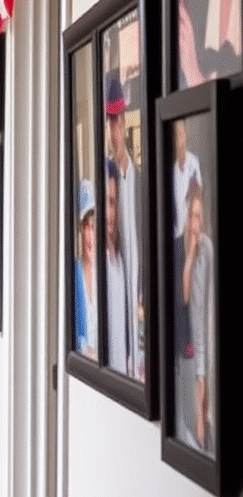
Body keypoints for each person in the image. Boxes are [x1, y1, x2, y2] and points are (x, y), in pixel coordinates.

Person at [173, 178, 214, 453]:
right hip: (181, 353)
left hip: (198, 349)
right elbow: (183, 298)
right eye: (191, 216)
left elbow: (202, 317)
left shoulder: (207, 251)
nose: (194, 224)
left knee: (201, 426)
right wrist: (188, 258)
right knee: (188, 424)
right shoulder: (177, 249)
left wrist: (203, 378)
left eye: (198, 217)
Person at [104, 75, 141, 377]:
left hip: (137, 351)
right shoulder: (105, 175)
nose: (114, 128)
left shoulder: (135, 177)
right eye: (109, 121)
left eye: (118, 120)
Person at [104, 159, 128, 374]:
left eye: (112, 202)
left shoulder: (120, 257)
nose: (108, 213)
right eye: (103, 203)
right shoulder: (96, 260)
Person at [74, 178, 98, 359]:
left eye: (94, 227)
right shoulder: (73, 275)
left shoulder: (107, 275)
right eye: (86, 227)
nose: (90, 235)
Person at [172, 118, 202, 237]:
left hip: (190, 232)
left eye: (183, 134)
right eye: (178, 135)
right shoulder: (173, 168)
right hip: (176, 233)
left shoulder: (193, 163)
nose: (181, 139)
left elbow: (197, 196)